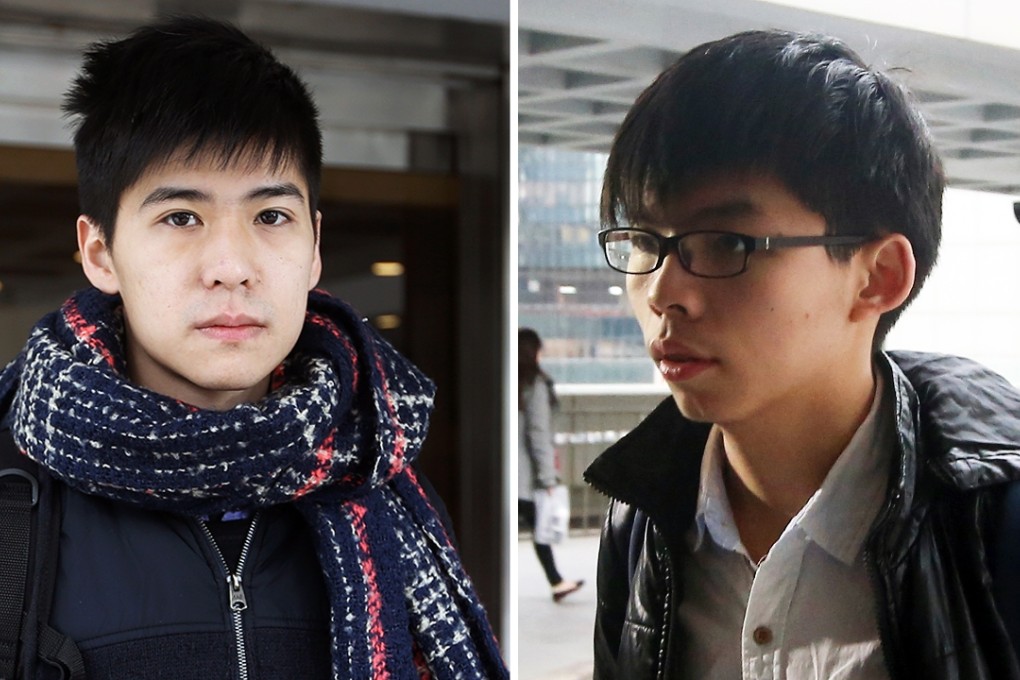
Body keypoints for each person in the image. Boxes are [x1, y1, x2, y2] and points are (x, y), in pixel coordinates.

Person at [0, 16, 507, 680]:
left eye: (271, 216)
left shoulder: (384, 480)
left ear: (314, 245)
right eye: (181, 217)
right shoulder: (15, 497)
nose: (232, 265)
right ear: (101, 254)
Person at [584, 28, 1020, 679]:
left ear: (876, 277)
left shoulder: (994, 521)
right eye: (644, 240)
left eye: (726, 242)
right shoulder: (641, 518)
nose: (663, 292)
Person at [518, 328, 584, 602]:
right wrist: (548, 478)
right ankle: (556, 581)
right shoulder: (535, 384)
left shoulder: (508, 382)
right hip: (525, 476)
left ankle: (556, 580)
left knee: (537, 525)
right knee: (540, 525)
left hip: (511, 473)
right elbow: (538, 433)